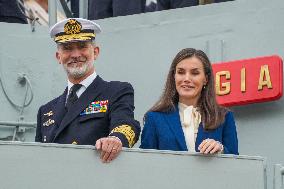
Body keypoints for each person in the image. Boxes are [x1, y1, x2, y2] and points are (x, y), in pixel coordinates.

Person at [35, 18, 141, 163]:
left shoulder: (116, 91)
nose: (75, 54)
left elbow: (126, 124)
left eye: (82, 46)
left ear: (95, 52)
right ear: (58, 57)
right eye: (67, 48)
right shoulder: (45, 111)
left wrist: (116, 139)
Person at [140, 48, 238, 155]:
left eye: (195, 73)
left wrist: (221, 150)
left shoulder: (224, 117)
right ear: (174, 76)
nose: (187, 78)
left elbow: (236, 162)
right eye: (181, 72)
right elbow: (145, 163)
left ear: (206, 79)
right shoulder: (154, 118)